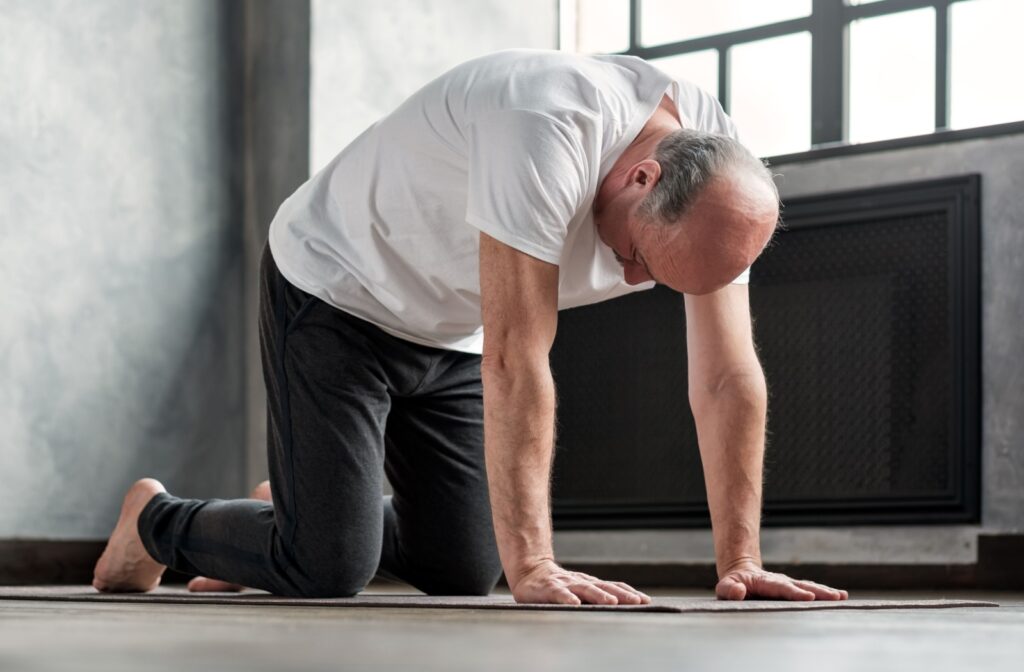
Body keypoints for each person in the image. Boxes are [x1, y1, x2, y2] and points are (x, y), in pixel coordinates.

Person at [93, 48, 848, 605]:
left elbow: (725, 374)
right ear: (639, 176)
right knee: (327, 572)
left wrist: (742, 561)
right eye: (641, 259)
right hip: (338, 292)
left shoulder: (721, 181)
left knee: (458, 568)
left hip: (450, 330)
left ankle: (294, 514)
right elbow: (519, 357)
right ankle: (157, 520)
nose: (630, 280)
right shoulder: (548, 124)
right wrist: (538, 567)